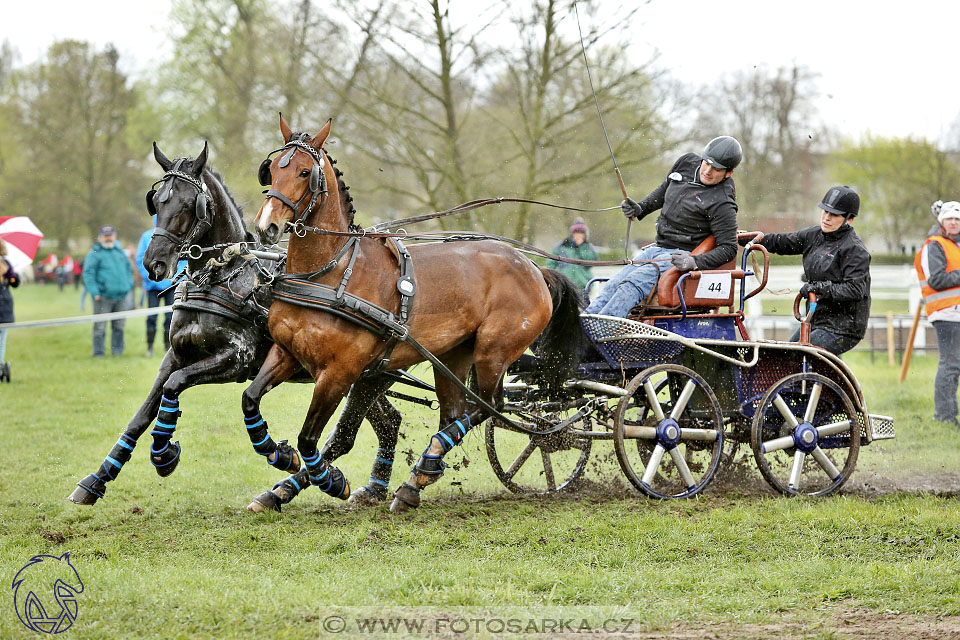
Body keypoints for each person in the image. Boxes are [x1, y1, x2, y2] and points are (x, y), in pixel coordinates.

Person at [585, 136, 741, 317]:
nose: (707, 171)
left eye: (716, 169)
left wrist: (694, 261)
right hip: (657, 248)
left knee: (631, 285)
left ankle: (600, 332)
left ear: (728, 173)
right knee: (613, 284)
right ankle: (582, 331)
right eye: (706, 163)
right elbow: (664, 189)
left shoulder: (722, 202)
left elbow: (728, 248)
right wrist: (640, 208)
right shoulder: (686, 162)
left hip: (679, 256)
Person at [758, 185, 871, 356]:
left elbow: (854, 290)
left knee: (796, 355)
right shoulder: (814, 236)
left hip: (844, 327)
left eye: (834, 214)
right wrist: (756, 240)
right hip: (817, 321)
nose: (826, 217)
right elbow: (783, 242)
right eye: (825, 211)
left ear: (849, 219)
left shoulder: (854, 249)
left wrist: (817, 288)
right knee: (785, 354)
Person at [915, 200, 960, 427]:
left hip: (955, 312)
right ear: (941, 221)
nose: (954, 223)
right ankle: (944, 417)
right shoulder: (935, 245)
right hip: (946, 313)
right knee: (950, 364)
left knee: (954, 364)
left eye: (958, 219)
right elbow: (937, 279)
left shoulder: (954, 245)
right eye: (950, 218)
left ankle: (948, 416)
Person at [83, 225, 134, 357]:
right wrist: (95, 292)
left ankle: (117, 353)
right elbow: (88, 274)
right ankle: (99, 353)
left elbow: (128, 270)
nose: (108, 238)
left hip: (121, 296)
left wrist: (128, 285)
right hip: (102, 297)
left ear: (114, 236)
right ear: (100, 237)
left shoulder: (119, 252)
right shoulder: (94, 253)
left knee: (119, 327)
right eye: (105, 236)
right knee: (99, 328)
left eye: (110, 235)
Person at [136, 216, 184, 356]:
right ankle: (149, 347)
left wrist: (175, 278)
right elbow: (141, 259)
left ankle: (167, 347)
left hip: (171, 286)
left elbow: (182, 260)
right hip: (152, 287)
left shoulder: (176, 237)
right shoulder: (146, 237)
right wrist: (150, 277)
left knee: (170, 318)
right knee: (151, 318)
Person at [547, 217, 598, 293]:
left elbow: (591, 262)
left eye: (581, 233)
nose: (579, 235)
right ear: (572, 233)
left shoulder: (588, 247)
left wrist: (581, 248)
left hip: (583, 285)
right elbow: (551, 264)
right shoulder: (561, 246)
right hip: (565, 285)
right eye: (577, 233)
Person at [0, 238, 20, 382]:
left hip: (4, 307)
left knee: (1, 340)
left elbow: (15, 283)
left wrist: (10, 276)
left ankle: (0, 365)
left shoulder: (6, 264)